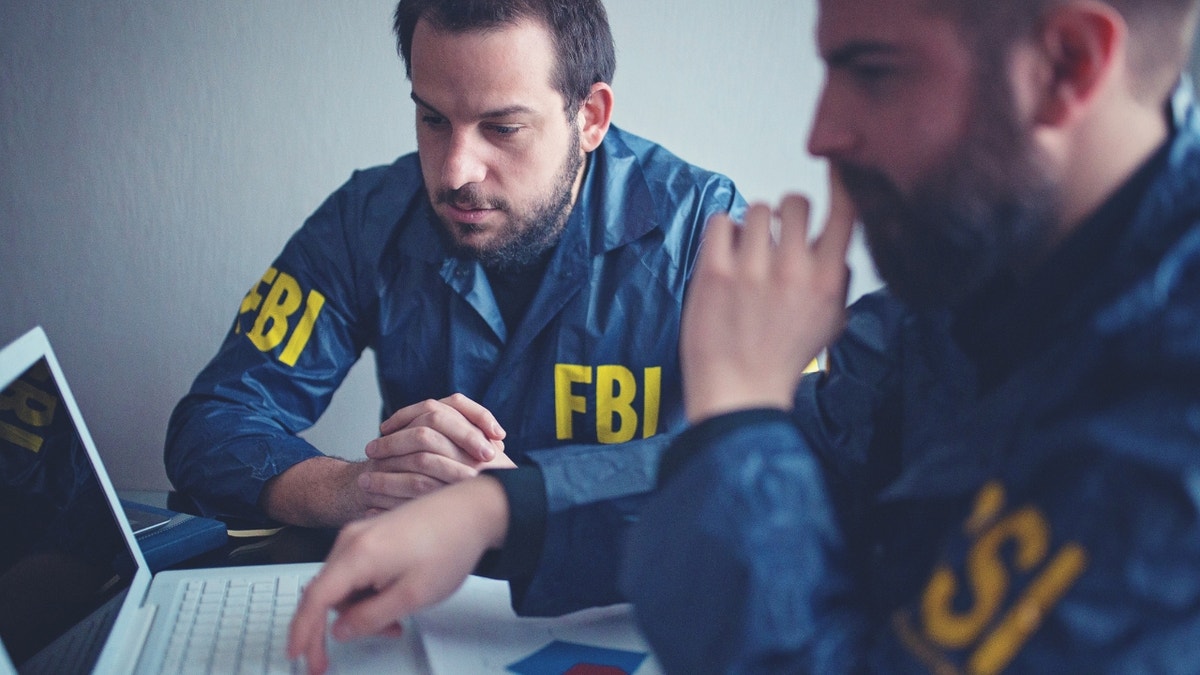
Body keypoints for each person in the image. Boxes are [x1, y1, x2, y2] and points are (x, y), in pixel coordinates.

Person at [289, 0, 1200, 671]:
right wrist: (499, 510)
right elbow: (827, 439)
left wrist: (735, 415)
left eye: (875, 70)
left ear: (1069, 65)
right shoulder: (977, 275)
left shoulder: (1166, 441)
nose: (821, 133)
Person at [164, 0, 743, 592]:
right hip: (419, 610)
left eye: (502, 128)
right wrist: (359, 488)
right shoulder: (367, 220)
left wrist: (521, 504)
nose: (455, 172)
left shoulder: (706, 232)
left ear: (589, 117)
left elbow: (778, 471)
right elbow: (211, 423)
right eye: (433, 120)